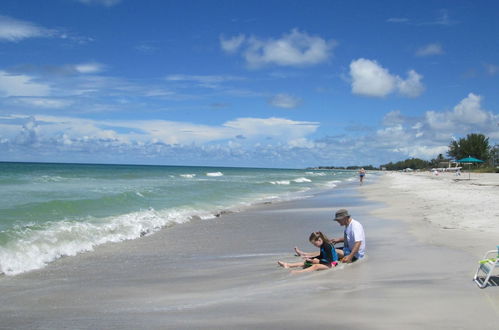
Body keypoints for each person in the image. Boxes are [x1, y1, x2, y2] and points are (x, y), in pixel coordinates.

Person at [295, 208, 366, 263]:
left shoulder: (355, 226)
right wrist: (338, 240)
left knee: (330, 250)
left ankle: (307, 255)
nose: (338, 222)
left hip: (355, 254)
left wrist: (350, 256)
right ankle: (305, 254)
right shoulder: (348, 225)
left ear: (344, 218)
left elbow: (358, 242)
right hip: (348, 249)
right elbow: (350, 238)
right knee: (328, 249)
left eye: (338, 220)